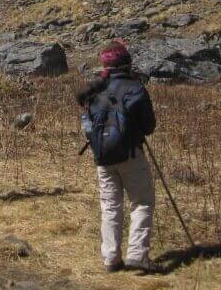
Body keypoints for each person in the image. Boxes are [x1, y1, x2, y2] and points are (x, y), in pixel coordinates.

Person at [76, 41, 157, 274]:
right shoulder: (135, 88)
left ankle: (111, 258)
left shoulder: (95, 90)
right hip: (131, 154)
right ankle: (137, 255)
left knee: (110, 206)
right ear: (126, 63)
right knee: (142, 201)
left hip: (103, 157)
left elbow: (88, 125)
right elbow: (149, 126)